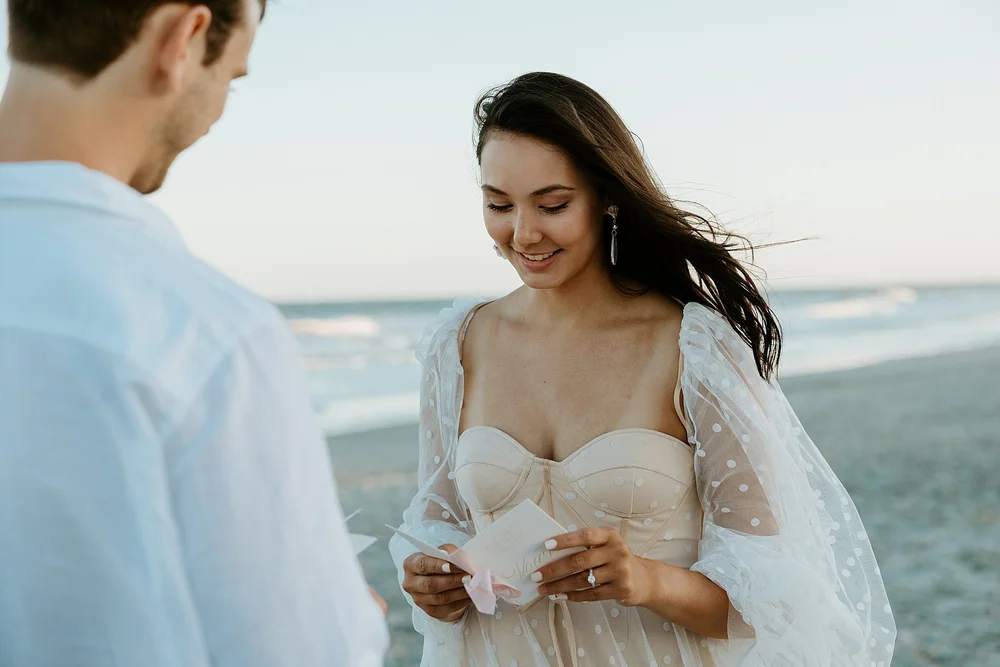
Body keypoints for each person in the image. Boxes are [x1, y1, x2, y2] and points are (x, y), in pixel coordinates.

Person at [389, 72, 896, 667]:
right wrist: (431, 580)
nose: (522, 233)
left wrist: (647, 580)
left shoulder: (695, 348)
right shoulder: (457, 345)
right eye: (498, 204)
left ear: (607, 197)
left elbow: (772, 601)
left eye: (553, 205)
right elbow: (438, 522)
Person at [0, 2, 387, 666]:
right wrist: (352, 623)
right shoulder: (209, 336)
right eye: (232, 78)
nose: (215, 116)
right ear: (185, 38)